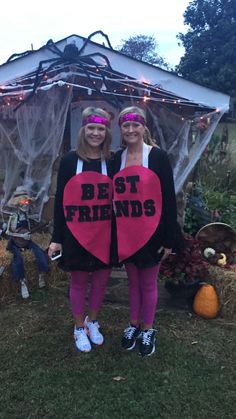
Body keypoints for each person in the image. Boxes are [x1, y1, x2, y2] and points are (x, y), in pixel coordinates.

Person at [111, 106, 177, 357]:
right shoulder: (117, 158)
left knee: (148, 283)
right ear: (120, 129)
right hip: (127, 231)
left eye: (135, 124)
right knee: (133, 283)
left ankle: (148, 329)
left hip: (153, 232)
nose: (130, 129)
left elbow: (169, 198)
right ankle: (134, 324)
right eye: (125, 125)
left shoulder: (157, 157)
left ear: (143, 127)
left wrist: (169, 238)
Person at [48, 107, 113, 353]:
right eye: (91, 128)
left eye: (100, 129)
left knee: (100, 281)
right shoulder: (69, 160)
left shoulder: (112, 160)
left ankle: (92, 321)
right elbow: (60, 201)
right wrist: (57, 238)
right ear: (83, 130)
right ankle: (77, 327)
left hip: (105, 232)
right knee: (78, 281)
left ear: (106, 132)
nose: (96, 133)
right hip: (76, 232)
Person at [6, 191, 49, 299]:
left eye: (27, 202)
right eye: (24, 202)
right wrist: (20, 235)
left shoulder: (26, 215)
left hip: (26, 240)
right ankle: (22, 282)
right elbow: (8, 232)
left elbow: (30, 228)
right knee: (18, 259)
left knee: (39, 252)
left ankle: (41, 274)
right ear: (19, 204)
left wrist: (27, 235)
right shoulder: (14, 216)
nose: (26, 204)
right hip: (15, 241)